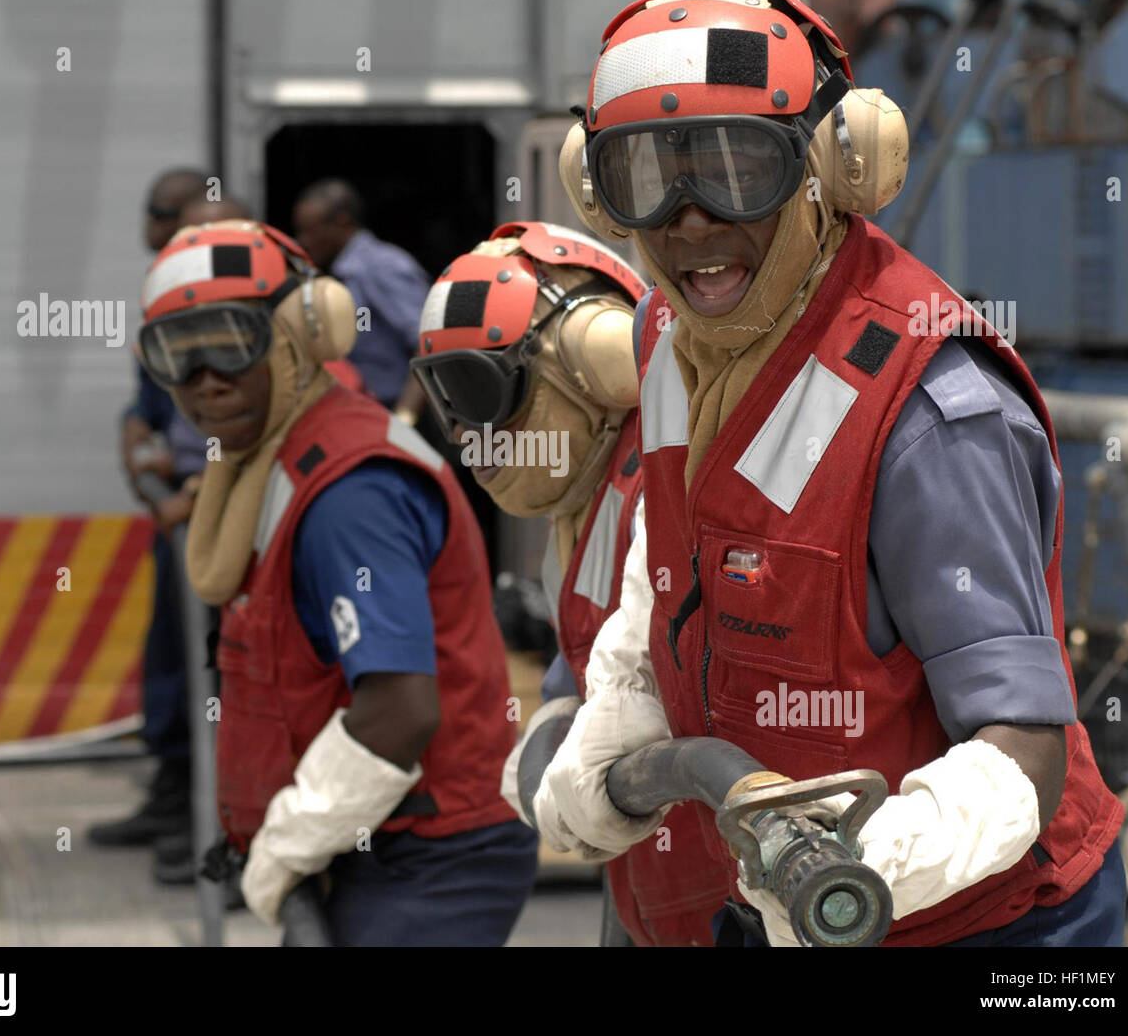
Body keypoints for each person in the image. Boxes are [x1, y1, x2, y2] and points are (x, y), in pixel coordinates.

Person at [534, 0, 1126, 947]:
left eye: (737, 169)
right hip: (776, 900)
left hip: (985, 926)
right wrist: (621, 704)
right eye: (650, 174)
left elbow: (1024, 748)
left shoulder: (931, 411)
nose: (688, 221)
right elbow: (671, 558)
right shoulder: (672, 342)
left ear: (833, 168)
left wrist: (860, 862)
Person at [137, 219, 537, 945]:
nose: (206, 380)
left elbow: (400, 710)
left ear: (300, 330)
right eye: (178, 354)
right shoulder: (273, 465)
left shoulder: (350, 491)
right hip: (359, 848)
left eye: (230, 341)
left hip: (429, 857)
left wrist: (287, 840)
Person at [411, 221, 724, 944]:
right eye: (446, 395)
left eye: (479, 389)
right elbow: (577, 672)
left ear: (597, 358)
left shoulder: (670, 477)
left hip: (727, 891)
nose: (468, 431)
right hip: (654, 887)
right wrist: (554, 721)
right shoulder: (580, 508)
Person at [90, 168, 215, 857]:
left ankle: (217, 818)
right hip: (179, 516)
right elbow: (148, 409)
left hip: (218, 514)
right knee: (170, 655)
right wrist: (136, 439)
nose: (153, 230)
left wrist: (195, 493)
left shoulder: (237, 304)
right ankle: (176, 795)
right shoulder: (163, 304)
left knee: (222, 668)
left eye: (163, 216)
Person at [291, 178, 429, 421]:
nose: (303, 242)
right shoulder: (332, 273)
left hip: (390, 413)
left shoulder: (382, 266)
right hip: (354, 414)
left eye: (311, 231)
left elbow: (428, 344)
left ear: (342, 222)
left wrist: (405, 418)